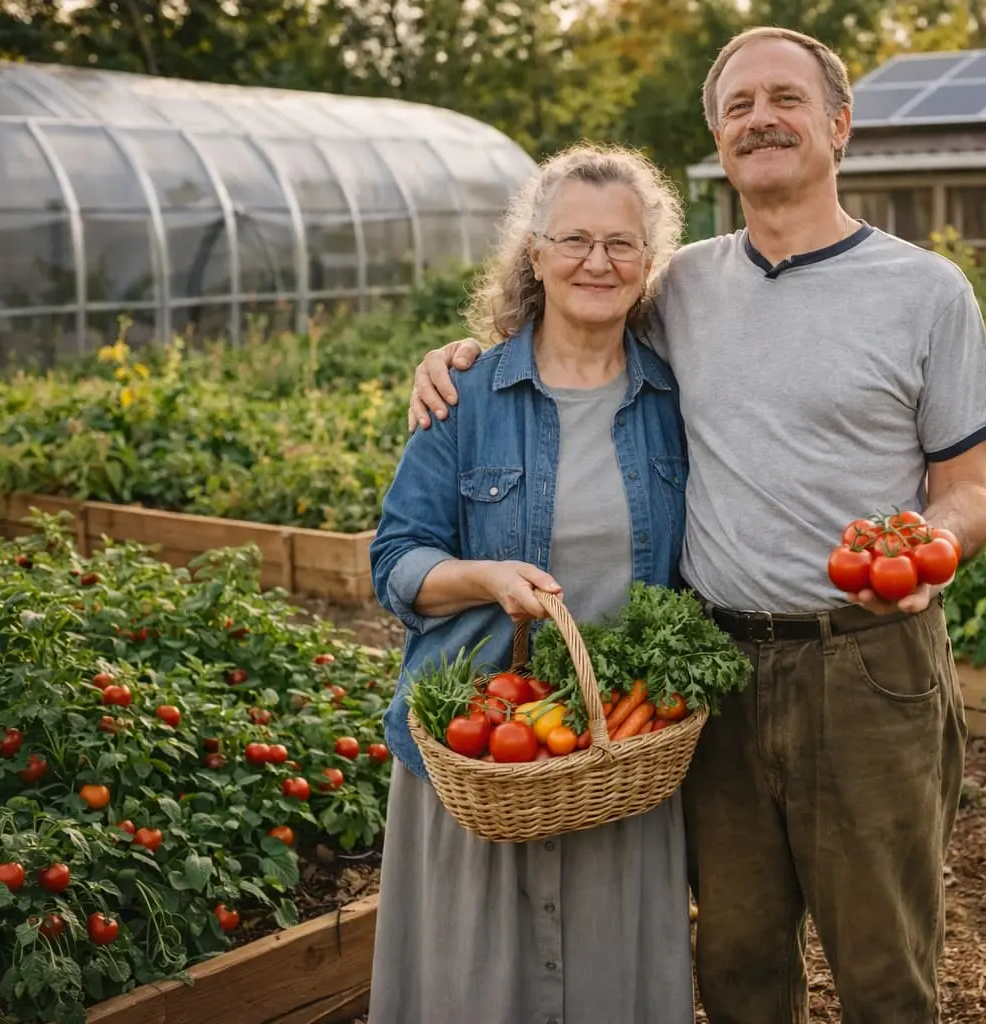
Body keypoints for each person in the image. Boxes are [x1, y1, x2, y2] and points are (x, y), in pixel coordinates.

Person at [406, 26, 986, 1024]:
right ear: (719, 139)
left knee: (885, 962)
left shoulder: (925, 291)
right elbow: (565, 312)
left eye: (786, 98)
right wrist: (462, 355)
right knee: (733, 961)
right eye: (738, 106)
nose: (761, 118)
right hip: (714, 673)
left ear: (839, 124)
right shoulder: (677, 284)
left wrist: (935, 544)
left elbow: (972, 486)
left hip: (868, 665)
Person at [366, 143, 693, 1024]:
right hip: (485, 745)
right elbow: (395, 563)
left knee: (605, 984)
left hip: (617, 751)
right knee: (477, 987)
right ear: (536, 255)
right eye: (574, 240)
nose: (598, 262)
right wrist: (478, 577)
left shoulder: (676, 399)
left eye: (622, 244)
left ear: (649, 263)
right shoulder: (466, 395)